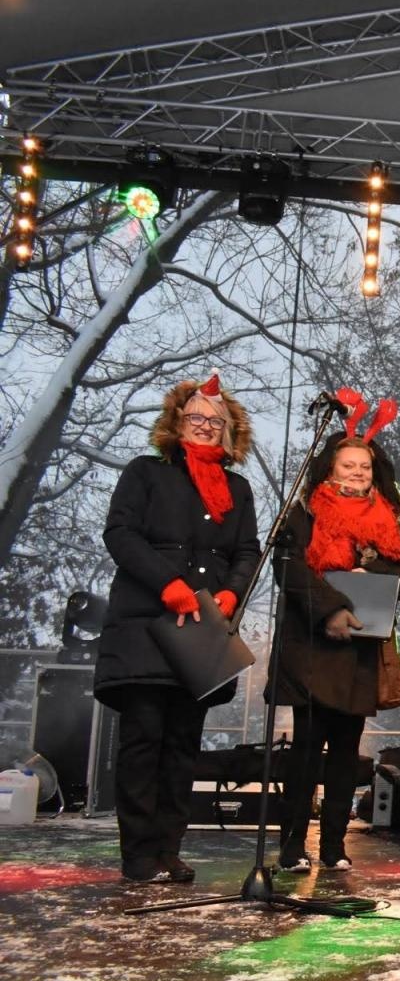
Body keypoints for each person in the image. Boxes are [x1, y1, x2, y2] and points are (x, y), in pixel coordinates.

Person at [93, 374, 261, 883]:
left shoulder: (238, 487)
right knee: (144, 739)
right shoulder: (146, 472)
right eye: (197, 417)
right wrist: (167, 582)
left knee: (184, 744)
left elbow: (247, 550)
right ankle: (139, 854)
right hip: (148, 624)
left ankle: (169, 848)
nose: (206, 426)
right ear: (177, 420)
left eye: (216, 420)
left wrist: (232, 592)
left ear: (230, 430)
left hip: (203, 630)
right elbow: (120, 533)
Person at [272, 394, 400, 873]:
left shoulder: (386, 521)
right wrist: (332, 606)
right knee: (305, 754)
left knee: (344, 756)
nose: (357, 472)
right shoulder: (304, 514)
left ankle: (334, 846)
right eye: (348, 464)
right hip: (314, 648)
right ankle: (293, 846)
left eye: (365, 466)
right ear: (330, 468)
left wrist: (372, 569)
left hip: (359, 653)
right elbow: (289, 569)